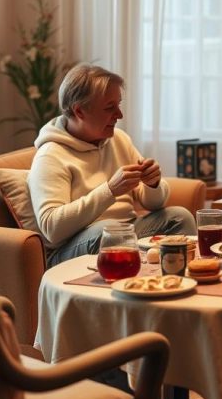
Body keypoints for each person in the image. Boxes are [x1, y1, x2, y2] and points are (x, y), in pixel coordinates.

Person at [28, 63, 196, 266]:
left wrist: (153, 184)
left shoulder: (118, 139)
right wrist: (110, 190)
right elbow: (52, 228)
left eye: (119, 104)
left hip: (124, 231)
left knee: (180, 217)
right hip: (72, 246)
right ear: (79, 111)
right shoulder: (51, 156)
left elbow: (154, 203)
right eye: (109, 108)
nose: (119, 114)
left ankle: (176, 279)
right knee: (108, 230)